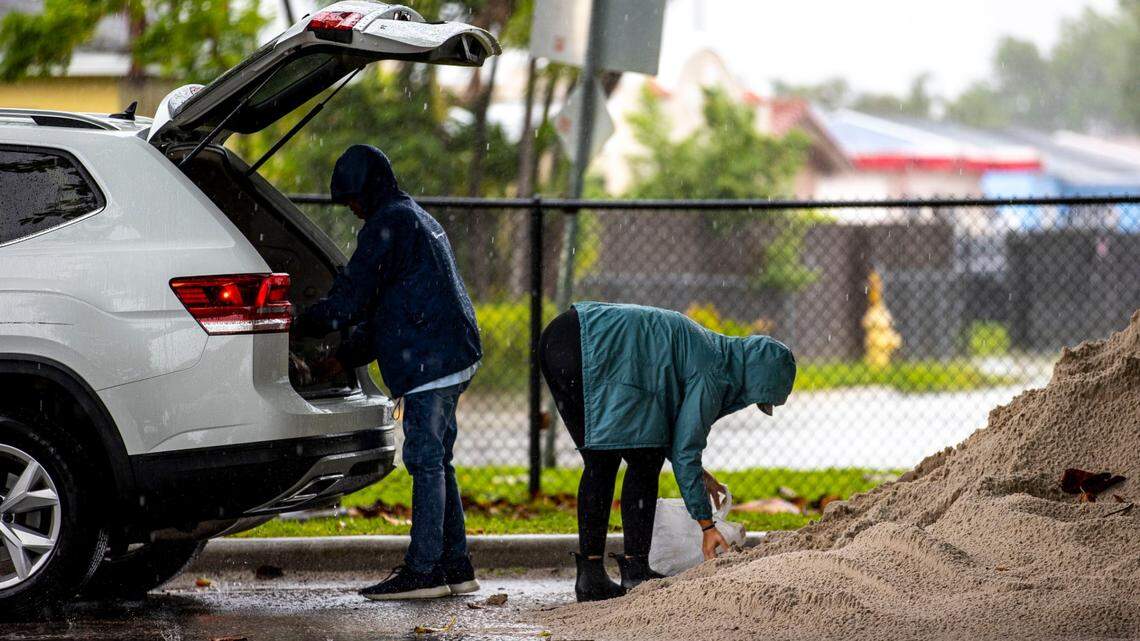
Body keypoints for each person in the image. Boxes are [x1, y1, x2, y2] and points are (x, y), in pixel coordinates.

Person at [296, 145, 483, 601]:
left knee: (424, 461)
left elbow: (353, 300)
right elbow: (387, 303)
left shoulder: (389, 223)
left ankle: (424, 572)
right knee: (438, 460)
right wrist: (346, 357)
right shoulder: (411, 215)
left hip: (430, 360)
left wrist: (295, 323)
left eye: (353, 199)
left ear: (369, 191)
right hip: (452, 352)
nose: (354, 210)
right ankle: (456, 567)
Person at [538, 301, 796, 602]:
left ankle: (616, 571)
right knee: (612, 458)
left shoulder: (713, 353)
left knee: (632, 457)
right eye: (757, 397)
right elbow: (685, 450)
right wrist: (707, 525)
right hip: (583, 343)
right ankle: (614, 573)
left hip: (568, 336)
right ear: (753, 379)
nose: (751, 403)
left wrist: (699, 474)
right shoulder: (712, 373)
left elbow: (676, 437)